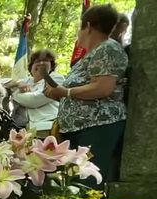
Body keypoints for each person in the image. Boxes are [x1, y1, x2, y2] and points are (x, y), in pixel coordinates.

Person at [44, 4, 128, 187]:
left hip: (96, 128)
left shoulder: (107, 49)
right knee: (72, 181)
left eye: (79, 28)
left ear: (88, 26)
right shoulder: (93, 54)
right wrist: (57, 93)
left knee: (86, 182)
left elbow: (103, 87)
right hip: (79, 130)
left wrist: (65, 92)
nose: (78, 34)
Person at [12, 50, 64, 137]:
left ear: (51, 66)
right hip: (21, 130)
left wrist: (15, 94)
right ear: (31, 67)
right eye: (37, 61)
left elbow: (34, 100)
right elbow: (2, 83)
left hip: (47, 128)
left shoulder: (56, 78)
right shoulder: (26, 80)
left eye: (45, 60)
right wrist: (17, 83)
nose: (41, 63)